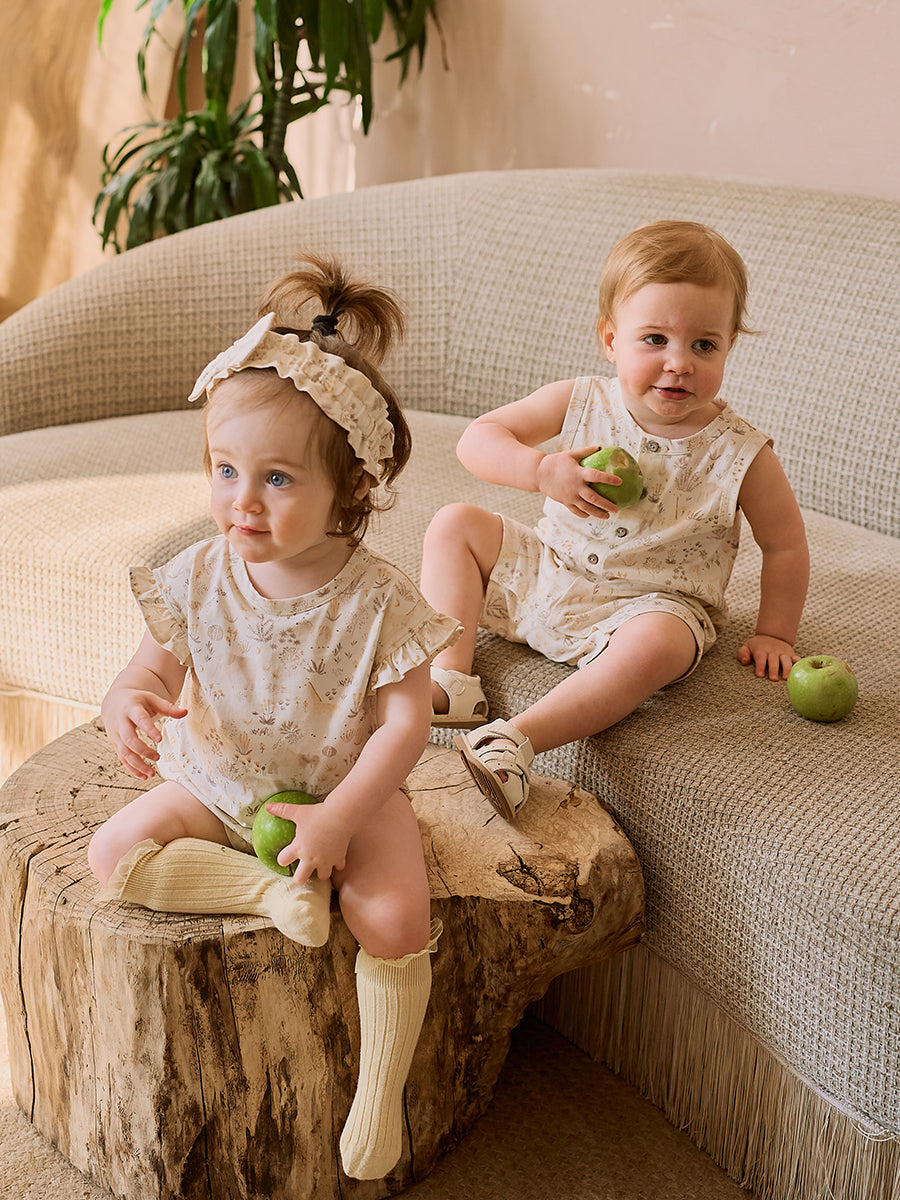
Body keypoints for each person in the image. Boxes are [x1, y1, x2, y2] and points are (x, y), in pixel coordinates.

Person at [87, 254, 461, 1181]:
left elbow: (405, 728)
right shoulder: (198, 573)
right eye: (225, 470)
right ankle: (271, 896)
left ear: (354, 489)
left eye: (278, 479)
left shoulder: (380, 602)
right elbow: (150, 665)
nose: (241, 501)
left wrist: (340, 818)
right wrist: (126, 698)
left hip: (344, 797)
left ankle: (379, 1093)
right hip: (218, 785)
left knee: (394, 916)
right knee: (113, 856)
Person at [420, 220, 809, 822]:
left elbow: (785, 545)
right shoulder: (581, 401)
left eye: (704, 346)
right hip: (551, 572)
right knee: (454, 524)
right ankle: (451, 681)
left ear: (729, 347)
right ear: (610, 338)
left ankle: (516, 741)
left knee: (661, 641)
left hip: (650, 607)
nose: (678, 363)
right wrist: (540, 469)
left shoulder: (740, 452)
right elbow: (478, 439)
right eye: (654, 339)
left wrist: (776, 634)